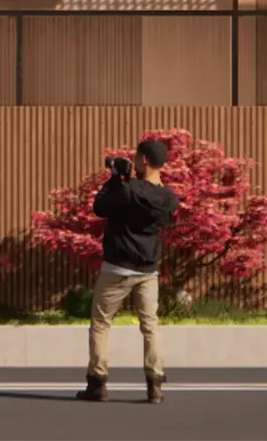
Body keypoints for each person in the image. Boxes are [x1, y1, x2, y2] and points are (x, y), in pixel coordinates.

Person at [79, 137, 179, 404]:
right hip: (148, 270)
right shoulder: (169, 198)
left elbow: (100, 207)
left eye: (136, 157)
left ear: (143, 160)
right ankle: (155, 385)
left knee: (101, 324)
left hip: (117, 268)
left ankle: (97, 383)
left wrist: (115, 177)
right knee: (150, 326)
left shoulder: (128, 189)